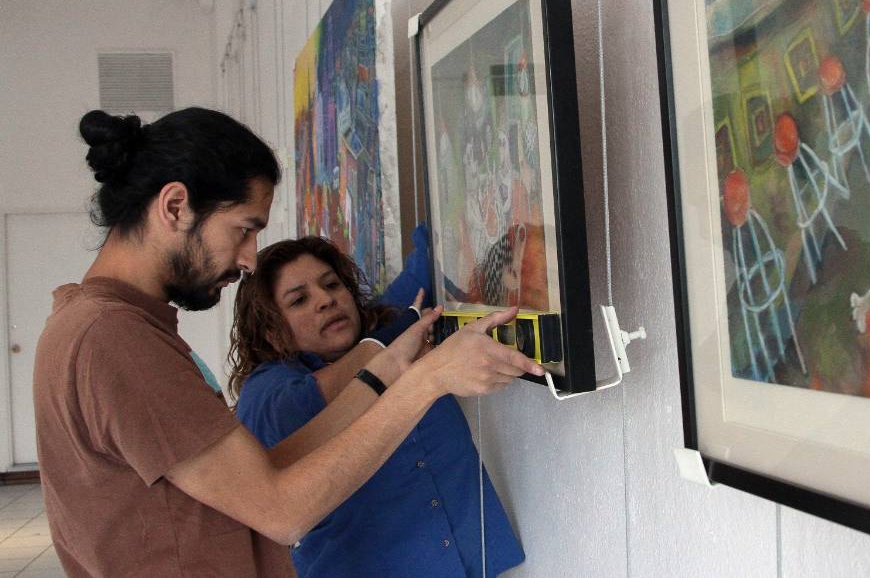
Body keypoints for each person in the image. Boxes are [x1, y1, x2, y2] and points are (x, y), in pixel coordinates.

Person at [32, 108, 543, 577]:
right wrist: (428, 381)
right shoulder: (115, 338)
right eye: (243, 229)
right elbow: (282, 511)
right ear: (175, 206)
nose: (248, 258)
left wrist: (382, 370)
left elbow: (263, 470)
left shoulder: (94, 323)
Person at [228, 230, 524, 577]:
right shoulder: (266, 390)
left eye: (332, 284)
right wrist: (392, 343)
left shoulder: (391, 321)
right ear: (272, 331)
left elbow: (435, 241)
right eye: (299, 300)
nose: (326, 299)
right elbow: (302, 406)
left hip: (473, 564)